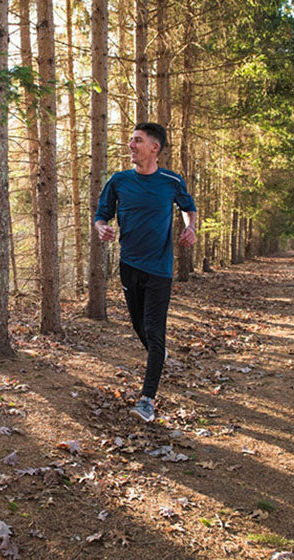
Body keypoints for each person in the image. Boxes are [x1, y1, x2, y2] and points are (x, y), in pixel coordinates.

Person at [94, 122, 197, 422]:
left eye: (137, 141)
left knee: (154, 330)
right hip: (129, 266)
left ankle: (147, 399)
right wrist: (102, 228)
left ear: (155, 147)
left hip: (160, 269)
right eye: (130, 140)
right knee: (140, 328)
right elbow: (101, 215)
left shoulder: (170, 180)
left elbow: (188, 207)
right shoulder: (119, 181)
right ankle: (158, 355)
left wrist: (190, 228)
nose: (130, 146)